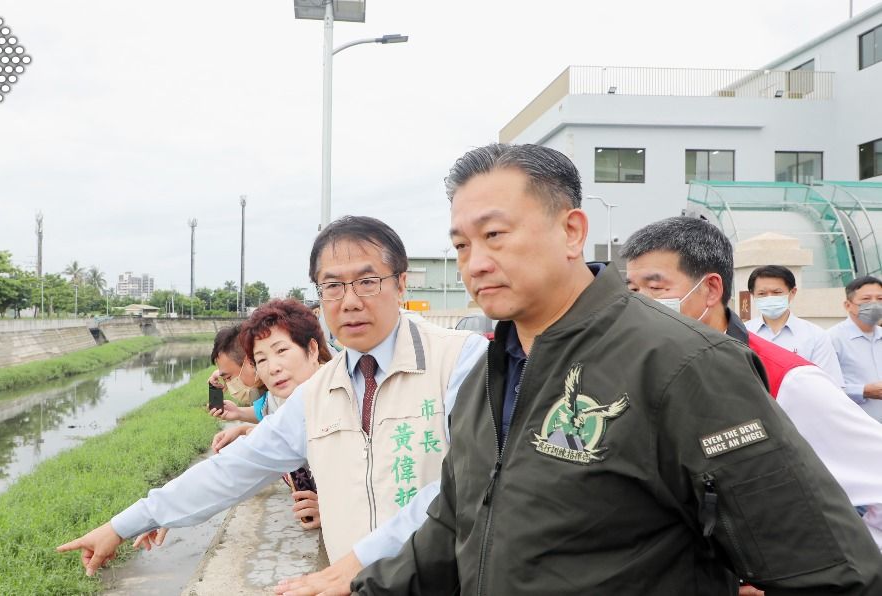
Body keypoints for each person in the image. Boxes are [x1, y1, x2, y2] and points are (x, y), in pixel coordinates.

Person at [352, 144, 882, 595]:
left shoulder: (684, 364)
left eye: (495, 235)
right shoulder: (487, 375)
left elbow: (831, 568)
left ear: (572, 231)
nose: (476, 263)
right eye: (461, 245)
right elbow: (455, 523)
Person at [57, 216, 487, 578]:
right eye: (332, 286)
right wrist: (123, 524)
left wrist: (353, 565)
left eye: (368, 281)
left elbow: (461, 488)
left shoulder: (463, 362)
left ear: (402, 283)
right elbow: (233, 471)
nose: (350, 301)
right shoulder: (317, 394)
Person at [622, 216, 882, 554]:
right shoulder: (630, 368)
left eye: (655, 289)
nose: (638, 303)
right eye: (632, 291)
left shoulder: (785, 381)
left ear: (711, 289)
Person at [140, 299, 335, 554]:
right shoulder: (278, 398)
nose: (273, 367)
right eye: (263, 358)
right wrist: (169, 509)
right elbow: (255, 449)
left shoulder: (339, 394)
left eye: (229, 376)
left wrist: (333, 509)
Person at [744, 264, 844, 385]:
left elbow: (831, 384)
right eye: (762, 294)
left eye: (777, 292)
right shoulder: (742, 333)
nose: (769, 298)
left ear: (792, 292)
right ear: (752, 294)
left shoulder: (815, 336)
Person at [829, 275, 882, 422]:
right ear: (848, 305)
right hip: (856, 427)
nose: (875, 304)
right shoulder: (831, 339)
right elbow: (824, 387)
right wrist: (863, 391)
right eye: (866, 299)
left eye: (880, 299)